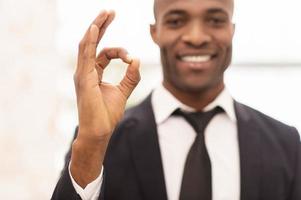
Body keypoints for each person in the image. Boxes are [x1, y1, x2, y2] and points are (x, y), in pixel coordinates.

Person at [51, 0, 301, 199]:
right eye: (176, 21)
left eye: (215, 20)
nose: (196, 36)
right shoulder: (102, 143)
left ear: (231, 30)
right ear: (155, 31)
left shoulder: (287, 145)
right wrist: (92, 144)